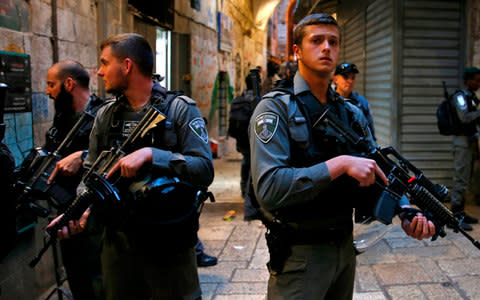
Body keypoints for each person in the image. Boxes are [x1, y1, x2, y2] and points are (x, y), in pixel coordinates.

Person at [249, 14, 436, 300]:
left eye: (333, 42)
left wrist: (405, 210)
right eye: (316, 40)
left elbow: (377, 168)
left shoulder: (350, 113)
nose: (326, 48)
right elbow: (269, 189)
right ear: (296, 50)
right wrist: (340, 164)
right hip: (300, 255)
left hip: (344, 249)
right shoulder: (274, 110)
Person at [48, 33, 214, 300]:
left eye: (104, 63)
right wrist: (79, 211)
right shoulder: (106, 115)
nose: (99, 72)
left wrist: (152, 154)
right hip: (119, 243)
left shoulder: (179, 110)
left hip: (169, 241)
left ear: (126, 66)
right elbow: (91, 173)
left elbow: (204, 169)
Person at [41, 60, 106, 300]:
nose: (47, 91)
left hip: (96, 214)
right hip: (67, 213)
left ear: (69, 83)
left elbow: (121, 154)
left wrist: (82, 156)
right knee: (77, 276)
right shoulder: (63, 118)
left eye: (51, 85)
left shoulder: (105, 113)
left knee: (100, 279)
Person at [449, 67, 480, 231]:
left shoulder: (471, 97)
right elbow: (464, 117)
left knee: (466, 178)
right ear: (468, 80)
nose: (478, 83)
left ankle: (461, 212)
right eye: (475, 80)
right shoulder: (460, 97)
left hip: (471, 142)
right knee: (460, 179)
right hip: (462, 143)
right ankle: (455, 216)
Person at [333, 62, 376, 140]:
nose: (350, 81)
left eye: (353, 78)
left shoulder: (362, 103)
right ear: (335, 79)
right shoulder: (327, 100)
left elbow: (370, 131)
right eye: (345, 77)